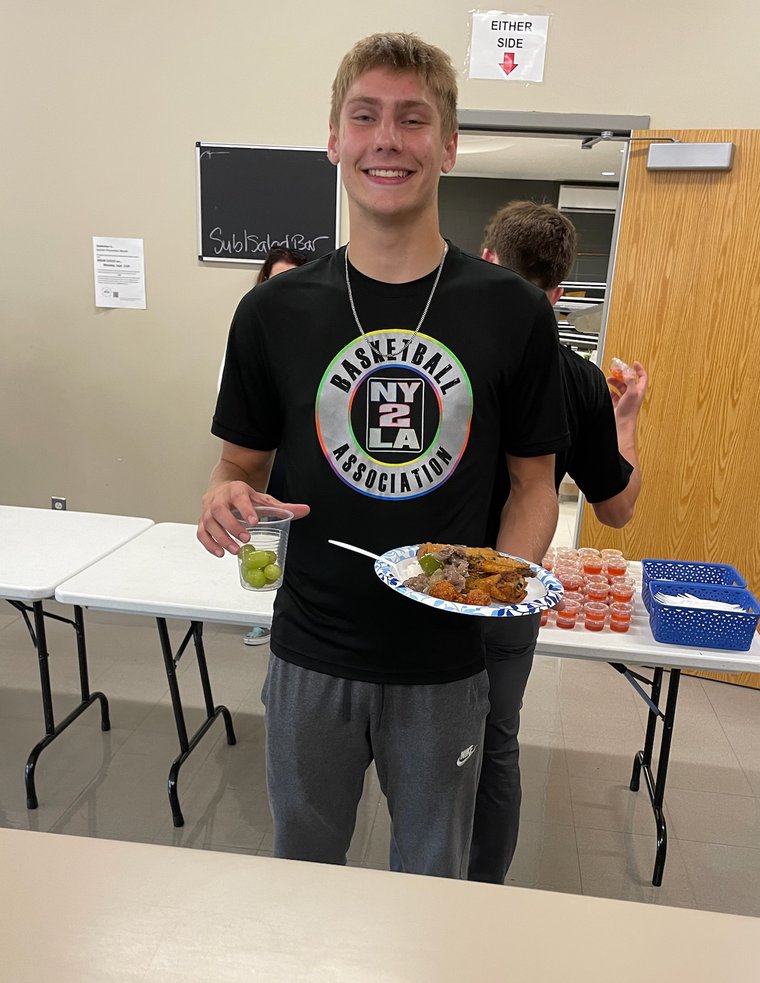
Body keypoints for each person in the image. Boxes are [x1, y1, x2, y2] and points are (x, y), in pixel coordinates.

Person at [198, 33, 568, 879]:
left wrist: (498, 586)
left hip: (443, 667)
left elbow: (534, 488)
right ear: (334, 140)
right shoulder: (273, 314)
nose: (386, 139)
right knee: (302, 874)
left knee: (432, 886)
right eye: (364, 117)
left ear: (448, 144)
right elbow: (236, 470)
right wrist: (223, 498)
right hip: (309, 653)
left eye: (412, 118)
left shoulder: (513, 314)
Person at [470, 200, 648, 884]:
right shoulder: (575, 378)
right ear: (562, 287)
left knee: (410, 731)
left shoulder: (448, 350)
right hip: (510, 590)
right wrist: (626, 418)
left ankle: (411, 875)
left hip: (425, 581)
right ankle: (482, 892)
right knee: (495, 747)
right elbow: (619, 509)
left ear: (488, 259)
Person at [241, 247, 307, 646]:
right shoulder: (254, 332)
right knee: (266, 536)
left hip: (302, 458)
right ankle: (264, 614)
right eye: (275, 281)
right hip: (272, 456)